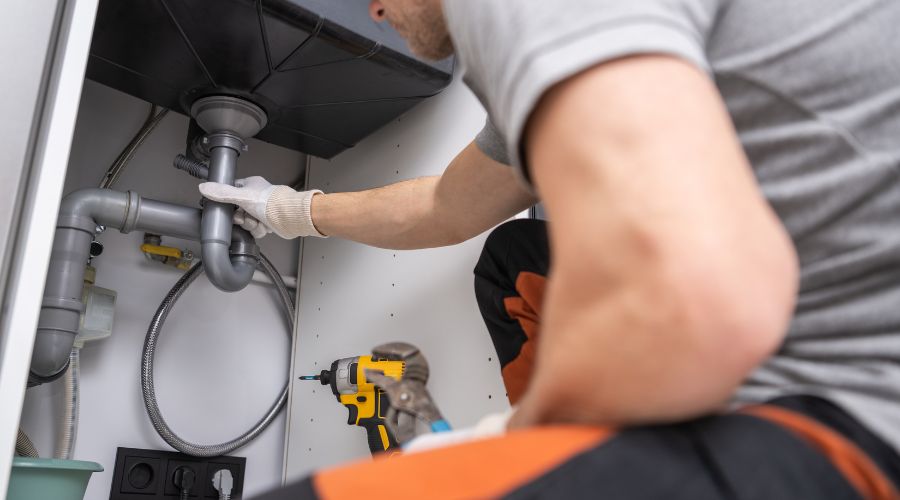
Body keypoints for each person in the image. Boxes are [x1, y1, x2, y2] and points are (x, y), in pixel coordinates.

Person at [200, 0, 900, 497]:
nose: (373, 11)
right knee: (514, 260)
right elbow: (448, 206)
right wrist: (287, 210)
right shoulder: (594, 38)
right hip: (816, 371)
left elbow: (692, 294)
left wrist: (513, 439)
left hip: (848, 426)